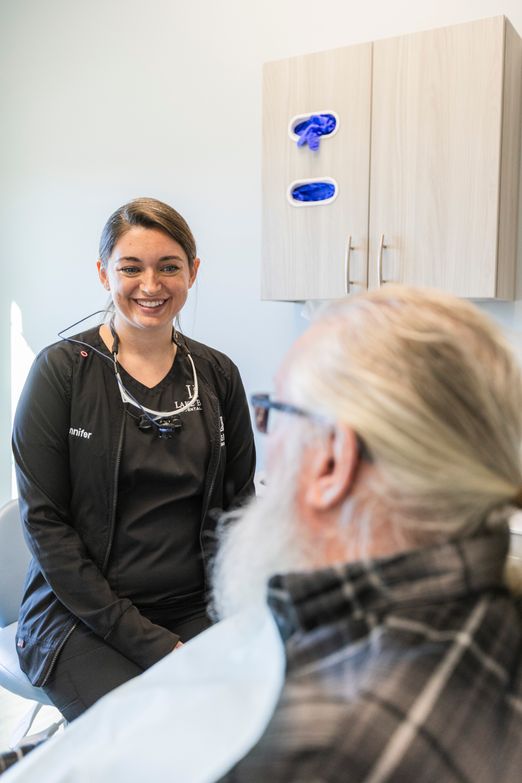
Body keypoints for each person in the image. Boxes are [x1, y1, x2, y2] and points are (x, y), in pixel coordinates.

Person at [5, 285, 522, 783]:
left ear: (331, 462)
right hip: (85, 618)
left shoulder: (306, 749)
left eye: (276, 413)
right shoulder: (483, 616)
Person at [11, 197, 255, 722]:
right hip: (77, 616)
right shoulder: (61, 374)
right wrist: (150, 644)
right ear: (104, 273)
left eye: (169, 266)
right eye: (131, 268)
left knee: (246, 721)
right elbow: (45, 526)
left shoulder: (218, 375)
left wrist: (246, 610)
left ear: (193, 271)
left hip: (194, 608)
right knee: (152, 729)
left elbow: (240, 507)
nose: (151, 285)